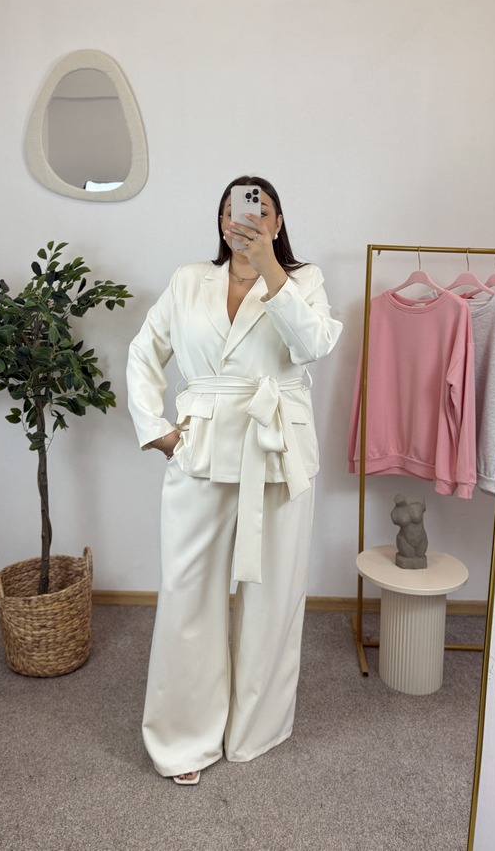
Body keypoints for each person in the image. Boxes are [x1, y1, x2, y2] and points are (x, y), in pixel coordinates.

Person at [126, 175, 342, 785]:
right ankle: (183, 739)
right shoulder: (188, 280)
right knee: (188, 591)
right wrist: (157, 430)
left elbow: (312, 346)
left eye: (258, 208)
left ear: (277, 220)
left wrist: (270, 267)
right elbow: (144, 353)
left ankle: (254, 729)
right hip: (200, 448)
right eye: (233, 209)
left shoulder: (303, 280)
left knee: (273, 595)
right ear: (221, 221)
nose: (243, 218)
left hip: (278, 451)